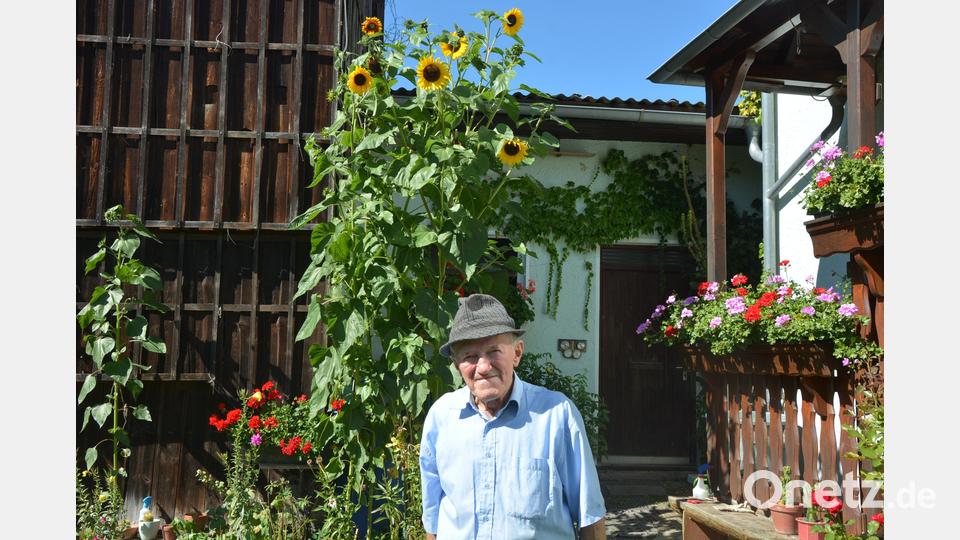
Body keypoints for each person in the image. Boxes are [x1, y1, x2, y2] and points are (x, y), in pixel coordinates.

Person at [419, 293, 607, 539]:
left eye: (493, 351)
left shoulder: (556, 415)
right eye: (470, 356)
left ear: (517, 353)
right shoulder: (441, 417)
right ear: (457, 366)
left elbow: (590, 517)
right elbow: (433, 520)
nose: (483, 367)